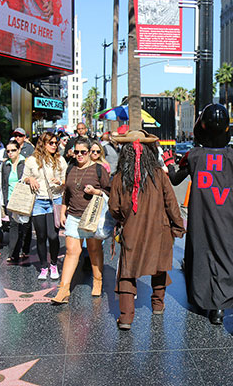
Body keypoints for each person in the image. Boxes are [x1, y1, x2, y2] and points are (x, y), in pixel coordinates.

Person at [164, 104, 233, 325]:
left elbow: (175, 179)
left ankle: (206, 302)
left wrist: (168, 163)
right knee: (228, 256)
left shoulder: (193, 156)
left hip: (202, 215)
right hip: (228, 216)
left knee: (202, 257)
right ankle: (221, 308)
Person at [108, 130, 185, 330]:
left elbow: (114, 208)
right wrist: (178, 226)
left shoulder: (118, 177)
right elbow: (171, 203)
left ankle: (126, 318)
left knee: (127, 273)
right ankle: (157, 306)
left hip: (131, 231)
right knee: (158, 267)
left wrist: (123, 219)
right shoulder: (159, 174)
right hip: (159, 231)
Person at [51, 137, 111, 304]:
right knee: (71, 251)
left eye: (83, 152)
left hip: (92, 217)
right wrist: (63, 211)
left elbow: (109, 191)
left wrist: (96, 192)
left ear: (90, 153)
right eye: (76, 152)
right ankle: (63, 290)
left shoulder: (99, 169)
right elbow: (67, 193)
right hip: (74, 215)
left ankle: (97, 281)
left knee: (93, 249)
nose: (79, 155)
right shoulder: (70, 169)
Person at [23, 132, 66, 280]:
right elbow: (23, 178)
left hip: (55, 200)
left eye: (56, 143)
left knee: (53, 236)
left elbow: (66, 179)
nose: (54, 145)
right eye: (51, 143)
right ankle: (43, 266)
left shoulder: (60, 160)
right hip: (38, 201)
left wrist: (60, 182)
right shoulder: (32, 160)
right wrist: (30, 179)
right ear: (43, 143)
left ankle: (53, 264)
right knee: (41, 236)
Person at [1, 140, 30, 263]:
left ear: (18, 150)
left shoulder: (25, 163)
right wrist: (4, 202)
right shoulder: (5, 165)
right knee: (13, 225)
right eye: (8, 151)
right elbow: (3, 183)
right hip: (10, 199)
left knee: (25, 226)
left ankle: (25, 248)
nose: (10, 153)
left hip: (23, 199)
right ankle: (13, 252)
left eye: (13, 150)